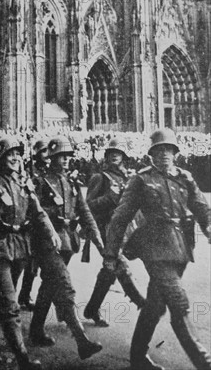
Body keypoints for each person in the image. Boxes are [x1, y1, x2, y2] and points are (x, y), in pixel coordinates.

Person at [105, 128, 211, 370]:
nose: (164, 154)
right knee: (178, 303)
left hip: (181, 248)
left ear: (175, 152)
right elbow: (120, 218)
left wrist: (209, 227)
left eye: (168, 150)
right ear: (151, 154)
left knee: (155, 306)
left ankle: (137, 358)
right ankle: (203, 362)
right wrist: (111, 254)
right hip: (155, 249)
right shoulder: (141, 180)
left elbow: (202, 209)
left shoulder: (184, 177)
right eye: (159, 150)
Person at [0, 135, 62, 370]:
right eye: (10, 154)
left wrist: (51, 231)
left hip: (20, 246)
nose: (15, 158)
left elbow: (38, 211)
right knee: (10, 304)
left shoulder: (22, 181)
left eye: (17, 154)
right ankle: (23, 359)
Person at [29, 136, 103, 360]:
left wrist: (98, 240)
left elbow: (85, 211)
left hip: (67, 241)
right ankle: (81, 340)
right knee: (64, 285)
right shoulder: (40, 182)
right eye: (60, 157)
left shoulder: (70, 183)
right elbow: (35, 211)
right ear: (51, 158)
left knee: (50, 286)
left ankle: (35, 330)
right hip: (47, 241)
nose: (64, 161)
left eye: (67, 157)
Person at [84, 138, 145, 326]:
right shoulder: (99, 178)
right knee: (119, 264)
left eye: (117, 153)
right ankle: (141, 302)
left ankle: (92, 309)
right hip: (106, 228)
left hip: (125, 229)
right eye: (111, 153)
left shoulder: (127, 178)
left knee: (110, 270)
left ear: (123, 157)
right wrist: (109, 199)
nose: (114, 156)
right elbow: (87, 207)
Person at [18, 139, 50, 311]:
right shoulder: (31, 172)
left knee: (34, 264)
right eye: (43, 152)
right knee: (27, 263)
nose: (47, 156)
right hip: (31, 222)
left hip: (43, 219)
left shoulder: (47, 171)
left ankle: (24, 295)